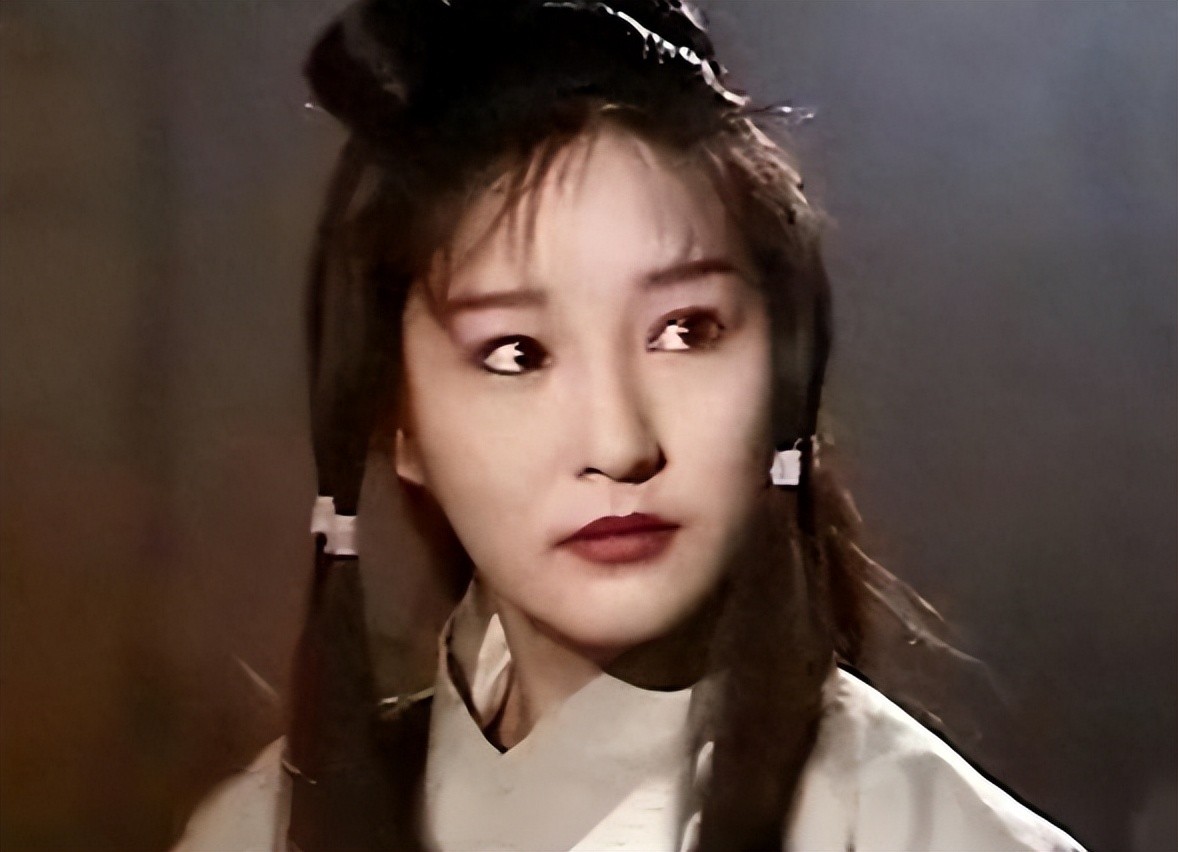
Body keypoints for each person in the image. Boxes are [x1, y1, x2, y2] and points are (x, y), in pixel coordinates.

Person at [175, 1, 1085, 850]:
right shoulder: (257, 833)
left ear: (786, 369)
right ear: (397, 417)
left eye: (686, 331)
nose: (618, 445)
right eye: (517, 353)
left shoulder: (930, 831)